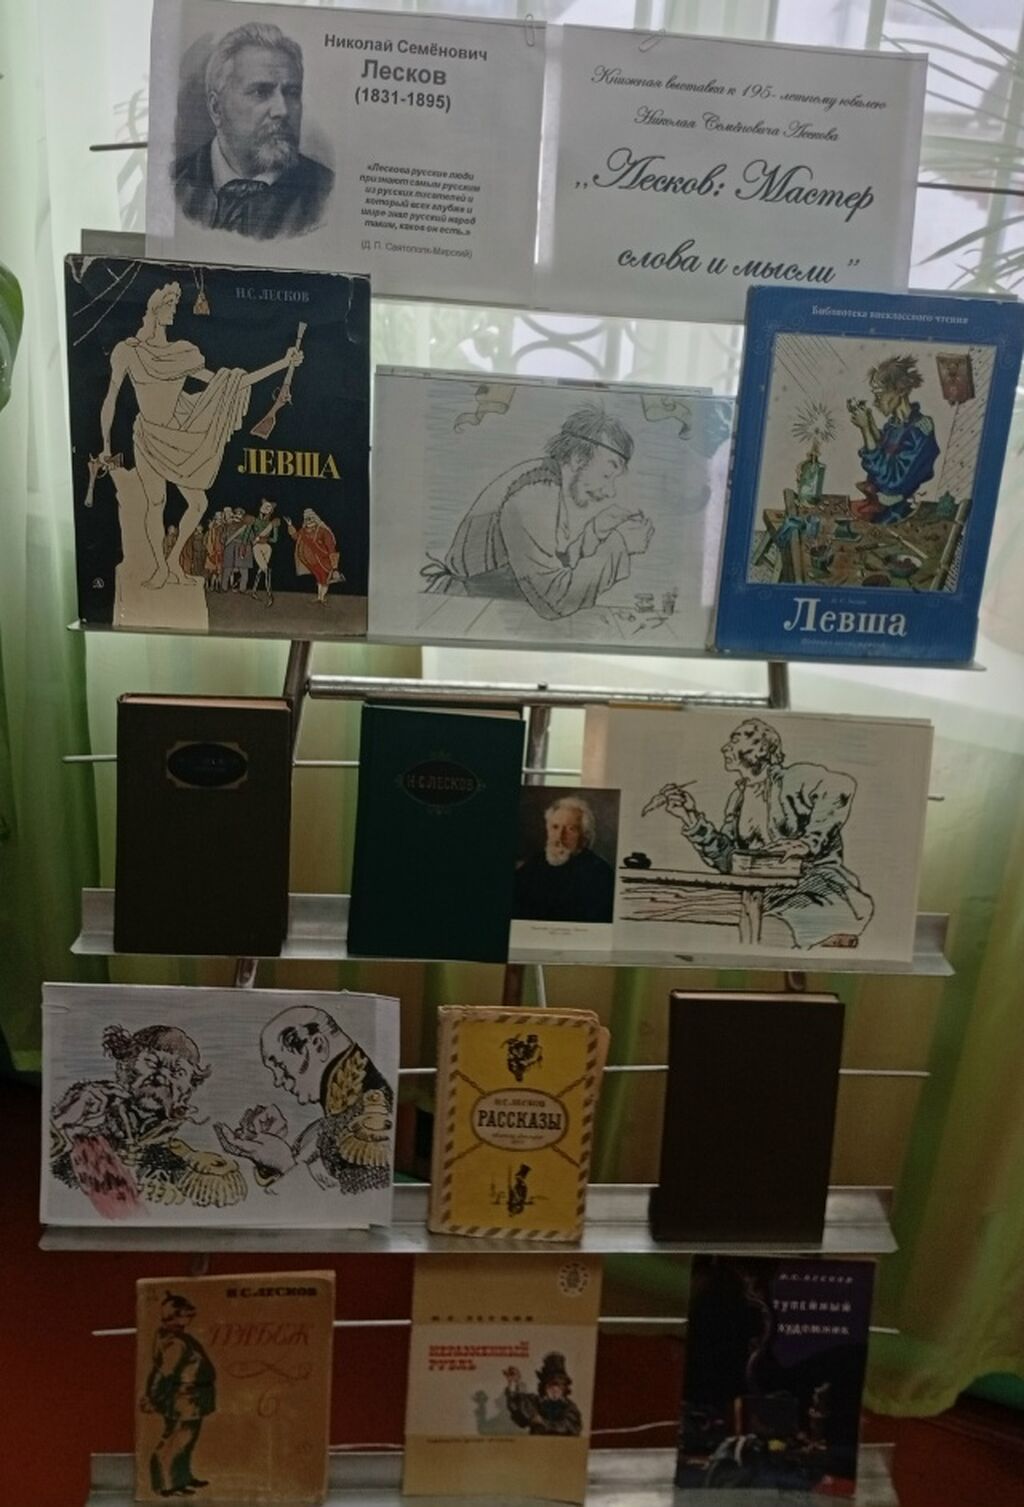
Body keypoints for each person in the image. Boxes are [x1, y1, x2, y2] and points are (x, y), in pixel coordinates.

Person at [97, 281, 303, 589]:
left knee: (198, 505)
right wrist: (105, 445)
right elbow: (110, 398)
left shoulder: (182, 353)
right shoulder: (127, 352)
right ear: (154, 308)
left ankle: (172, 561)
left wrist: (283, 363)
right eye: (169, 304)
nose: (174, 309)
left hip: (177, 437)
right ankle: (160, 569)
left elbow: (229, 383)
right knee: (155, 502)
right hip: (147, 436)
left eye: (175, 304)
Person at [654, 718, 874, 950]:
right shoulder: (737, 799)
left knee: (773, 932)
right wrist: (690, 817)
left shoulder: (792, 779)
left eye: (735, 740)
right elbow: (729, 860)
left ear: (760, 747)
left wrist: (808, 843)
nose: (725, 748)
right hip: (764, 897)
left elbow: (840, 787)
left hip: (815, 891)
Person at [422, 406, 654, 619]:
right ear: (578, 459)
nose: (610, 492)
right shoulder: (532, 495)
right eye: (606, 475)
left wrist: (596, 531)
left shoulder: (547, 482)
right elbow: (555, 598)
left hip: (486, 608)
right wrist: (619, 545)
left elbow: (552, 564)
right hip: (462, 610)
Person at [49, 1023, 245, 1217]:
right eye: (152, 1063)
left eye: (178, 1073)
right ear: (124, 1066)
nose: (162, 1077)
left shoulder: (174, 1153)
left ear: (187, 1091)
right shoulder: (90, 1113)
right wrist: (62, 1120)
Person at [173, 22, 334, 240]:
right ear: (216, 108)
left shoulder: (325, 195)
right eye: (261, 91)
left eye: (292, 92)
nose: (282, 110)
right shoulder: (174, 184)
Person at [214, 1004, 393, 1194]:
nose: (278, 1081)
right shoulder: (327, 1125)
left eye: (280, 1065)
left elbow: (358, 1202)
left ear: (318, 1046)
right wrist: (267, 1155)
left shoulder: (373, 1120)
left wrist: (284, 1163)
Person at [847, 354, 940, 524]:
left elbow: (890, 480)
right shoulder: (894, 425)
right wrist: (870, 424)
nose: (876, 402)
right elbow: (885, 450)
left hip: (896, 515)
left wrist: (866, 429)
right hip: (877, 504)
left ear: (901, 390)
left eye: (880, 394)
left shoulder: (920, 431)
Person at [142, 1291, 216, 1498]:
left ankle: (181, 1478)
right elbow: (163, 1374)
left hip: (192, 1398)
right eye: (185, 1313)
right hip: (184, 1399)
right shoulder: (175, 1342)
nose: (190, 1316)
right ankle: (166, 1484)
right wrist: (152, 1397)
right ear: (174, 1315)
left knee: (185, 1442)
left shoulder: (177, 1338)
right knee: (176, 1441)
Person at [513, 796, 615, 923]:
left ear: (584, 837)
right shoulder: (533, 864)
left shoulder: (600, 873)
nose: (559, 836)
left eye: (571, 829)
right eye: (555, 827)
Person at [503, 1353, 583, 1436]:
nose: (555, 1390)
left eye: (559, 1385)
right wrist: (513, 1383)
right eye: (551, 1385)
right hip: (537, 1444)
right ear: (544, 1386)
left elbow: (570, 1427)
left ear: (564, 1388)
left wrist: (543, 1422)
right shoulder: (535, 1402)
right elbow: (517, 1406)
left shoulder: (570, 1407)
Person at [286, 508, 342, 602]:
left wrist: (335, 567)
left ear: (315, 518)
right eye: (307, 519)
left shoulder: (323, 531)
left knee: (324, 578)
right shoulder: (303, 530)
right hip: (309, 562)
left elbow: (331, 547)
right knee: (318, 578)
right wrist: (290, 525)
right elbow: (296, 537)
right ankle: (319, 597)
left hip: (321, 560)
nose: (309, 520)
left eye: (310, 518)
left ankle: (322, 597)